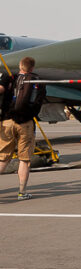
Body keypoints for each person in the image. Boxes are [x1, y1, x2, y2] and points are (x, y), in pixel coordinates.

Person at [0, 57, 46, 200]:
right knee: (24, 159)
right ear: (32, 68)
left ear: (20, 66)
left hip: (7, 122)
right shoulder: (36, 81)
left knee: (2, 158)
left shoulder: (10, 78)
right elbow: (39, 103)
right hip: (25, 123)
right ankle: (22, 192)